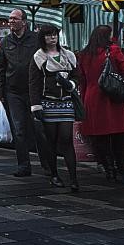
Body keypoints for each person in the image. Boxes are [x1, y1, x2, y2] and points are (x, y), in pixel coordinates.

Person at [0, 8, 49, 177]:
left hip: (34, 91)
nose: (11, 21)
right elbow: (0, 67)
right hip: (13, 91)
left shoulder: (35, 40)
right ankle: (23, 165)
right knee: (19, 129)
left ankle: (47, 164)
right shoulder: (5, 42)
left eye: (15, 19)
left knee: (39, 128)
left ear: (24, 21)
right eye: (9, 19)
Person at [77, 24, 124, 182]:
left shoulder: (84, 54)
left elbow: (82, 78)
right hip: (112, 96)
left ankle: (108, 170)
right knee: (120, 136)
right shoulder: (113, 50)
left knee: (99, 137)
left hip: (91, 97)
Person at [29, 24, 80, 191]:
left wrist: (70, 84)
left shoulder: (68, 55)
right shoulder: (38, 57)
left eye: (55, 35)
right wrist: (36, 106)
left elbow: (78, 76)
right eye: (49, 35)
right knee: (50, 140)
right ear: (43, 38)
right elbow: (34, 83)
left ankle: (73, 178)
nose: (52, 38)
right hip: (48, 103)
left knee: (66, 139)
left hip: (66, 102)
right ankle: (54, 175)